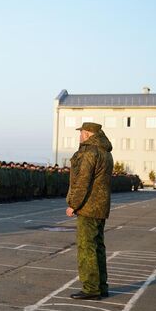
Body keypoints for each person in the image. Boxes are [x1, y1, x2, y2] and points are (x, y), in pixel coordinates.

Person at [66, 122, 114, 300]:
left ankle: (91, 288)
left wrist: (74, 205)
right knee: (98, 246)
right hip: (101, 206)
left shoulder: (90, 152)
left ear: (88, 134)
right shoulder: (105, 152)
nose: (80, 135)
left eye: (82, 132)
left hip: (88, 206)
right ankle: (101, 286)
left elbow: (83, 181)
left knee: (87, 248)